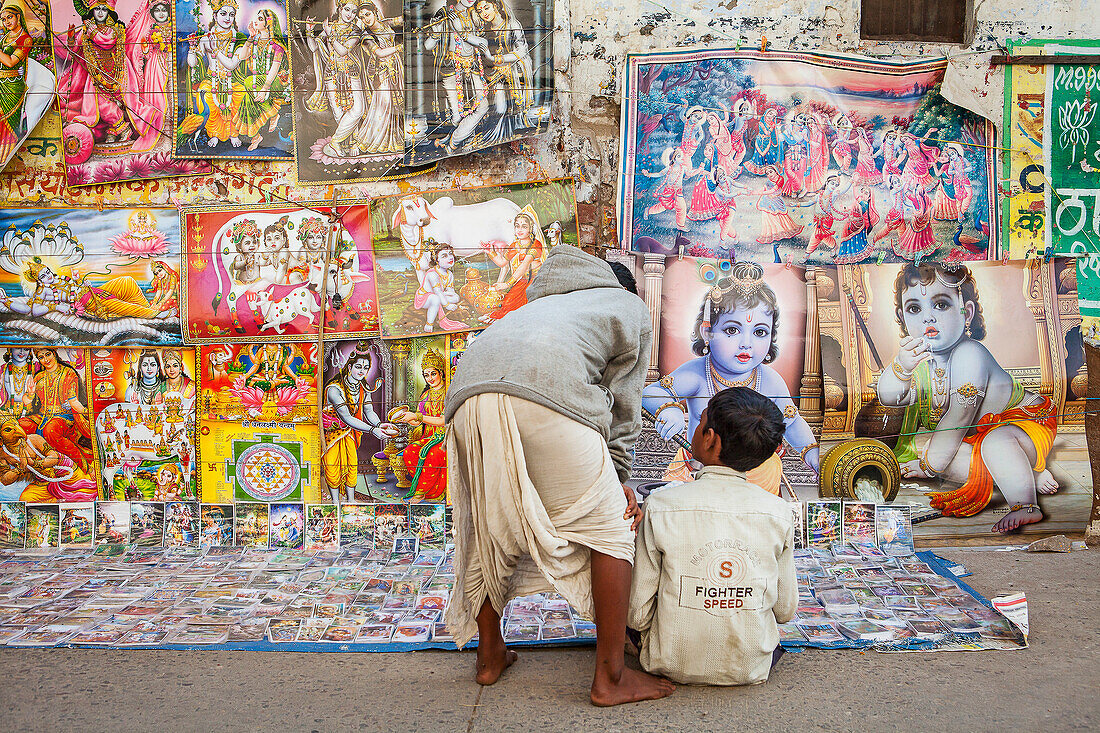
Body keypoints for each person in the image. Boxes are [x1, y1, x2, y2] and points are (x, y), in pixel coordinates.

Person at [444, 244, 673, 705]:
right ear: (619, 285)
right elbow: (624, 406)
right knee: (611, 528)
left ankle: (489, 656)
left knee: (490, 529)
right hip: (546, 393)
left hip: (466, 398)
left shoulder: (539, 305)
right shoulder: (626, 303)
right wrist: (620, 476)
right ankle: (611, 677)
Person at [628, 387, 796, 685]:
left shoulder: (661, 505)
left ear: (709, 438)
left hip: (667, 662)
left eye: (700, 420)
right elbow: (785, 610)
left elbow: (637, 614)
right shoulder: (779, 512)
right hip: (750, 669)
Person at [876, 263, 1058, 533]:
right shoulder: (923, 365)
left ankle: (1026, 505)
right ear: (903, 319)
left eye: (941, 305)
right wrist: (901, 368)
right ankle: (1024, 473)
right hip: (973, 435)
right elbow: (889, 398)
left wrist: (929, 466)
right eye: (915, 309)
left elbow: (960, 414)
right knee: (944, 455)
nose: (928, 318)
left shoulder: (970, 353)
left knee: (989, 444)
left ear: (967, 312)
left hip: (1023, 424)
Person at [642, 261, 819, 494]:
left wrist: (812, 453)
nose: (746, 343)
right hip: (699, 470)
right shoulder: (697, 373)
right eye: (732, 330)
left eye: (759, 332)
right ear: (707, 331)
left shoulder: (770, 380)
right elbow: (651, 392)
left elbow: (793, 422)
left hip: (753, 473)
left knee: (768, 472)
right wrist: (668, 409)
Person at [394, 348, 449, 502]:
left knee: (434, 454)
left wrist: (417, 416)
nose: (430, 378)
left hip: (447, 437)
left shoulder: (448, 392)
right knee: (409, 452)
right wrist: (407, 418)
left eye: (433, 373)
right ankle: (427, 489)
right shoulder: (426, 395)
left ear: (440, 373)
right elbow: (419, 421)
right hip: (430, 437)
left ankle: (421, 493)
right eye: (426, 375)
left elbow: (443, 421)